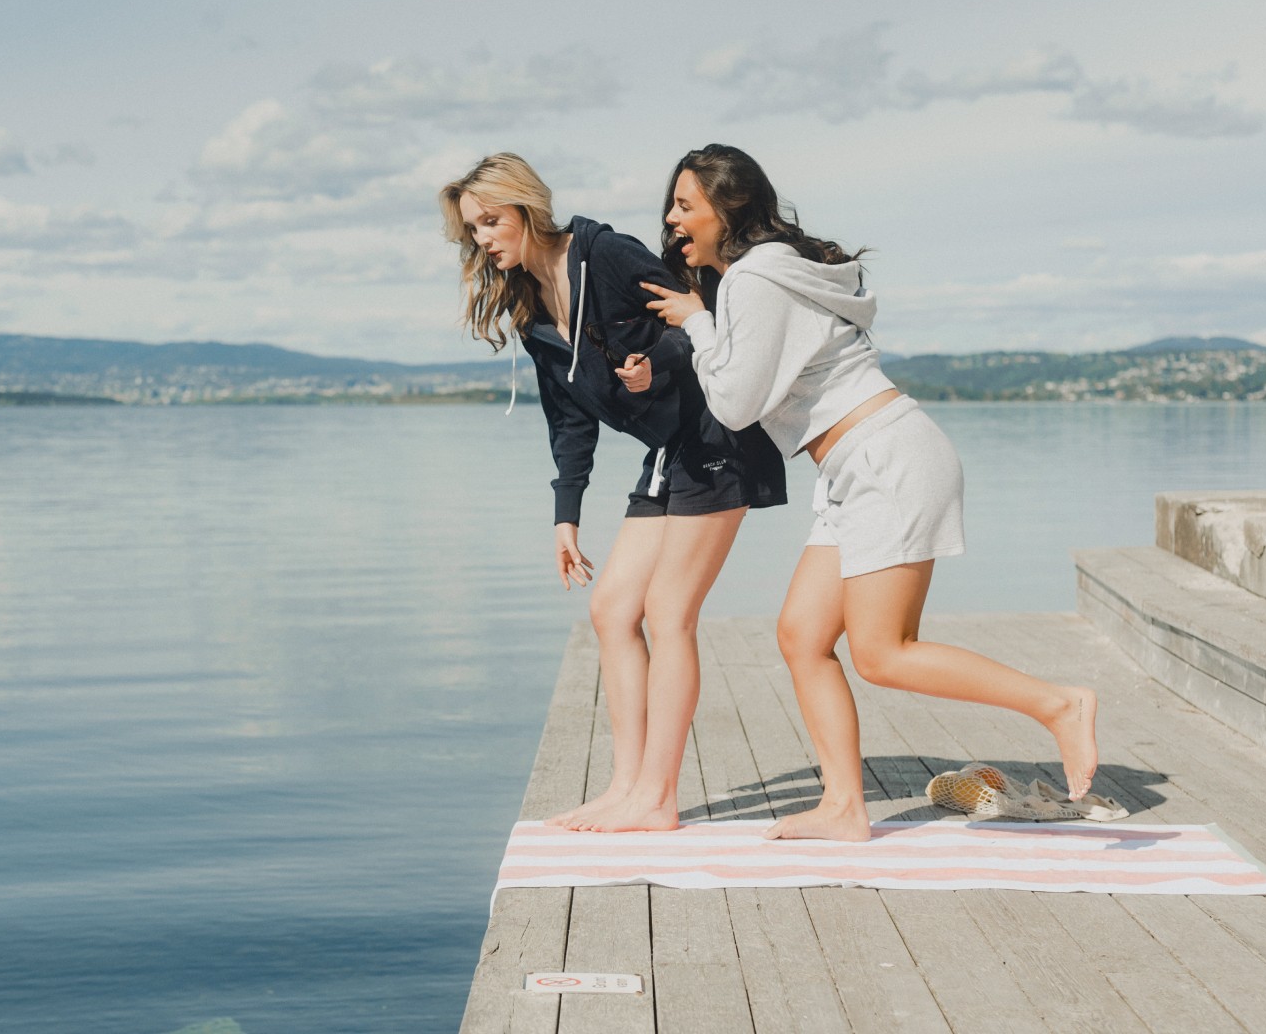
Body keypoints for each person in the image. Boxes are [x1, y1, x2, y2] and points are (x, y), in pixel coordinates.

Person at [641, 144, 1099, 842]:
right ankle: (844, 807)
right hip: (856, 466)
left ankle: (1060, 704)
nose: (673, 220)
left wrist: (696, 322)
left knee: (884, 653)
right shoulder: (774, 271)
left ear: (727, 209)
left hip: (884, 459)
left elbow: (734, 404)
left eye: (685, 206)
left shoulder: (753, 279)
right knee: (802, 636)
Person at [439, 153, 786, 832]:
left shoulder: (606, 254)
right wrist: (565, 516)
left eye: (491, 221)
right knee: (612, 610)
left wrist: (651, 363)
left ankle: (658, 798)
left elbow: (701, 321)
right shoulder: (531, 307)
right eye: (472, 229)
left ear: (526, 210)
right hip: (668, 452)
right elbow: (568, 421)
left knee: (668, 612)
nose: (482, 238)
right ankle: (627, 786)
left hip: (718, 438)